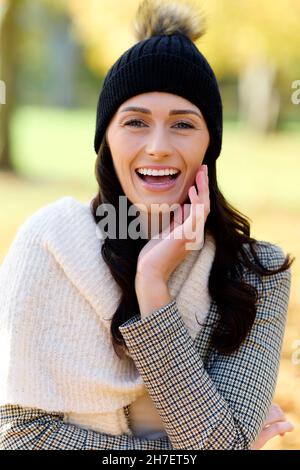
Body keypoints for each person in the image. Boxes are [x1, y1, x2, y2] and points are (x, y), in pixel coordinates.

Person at [0, 0, 295, 450]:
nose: (157, 147)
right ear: (106, 138)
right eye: (135, 122)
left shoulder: (257, 273)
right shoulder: (49, 243)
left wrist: (152, 285)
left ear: (209, 144)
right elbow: (19, 437)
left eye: (183, 124)